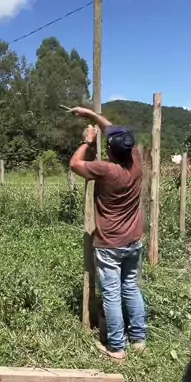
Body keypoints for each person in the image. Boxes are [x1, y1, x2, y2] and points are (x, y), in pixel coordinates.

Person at [69, 106, 146, 361]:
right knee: (131, 288)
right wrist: (91, 114)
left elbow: (75, 164)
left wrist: (87, 141)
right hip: (133, 240)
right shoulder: (136, 160)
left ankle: (116, 348)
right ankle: (139, 340)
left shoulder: (106, 170)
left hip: (110, 243)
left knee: (111, 294)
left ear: (110, 151)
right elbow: (111, 128)